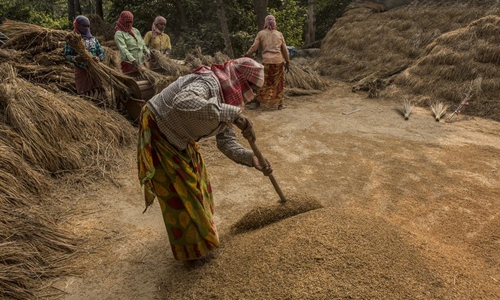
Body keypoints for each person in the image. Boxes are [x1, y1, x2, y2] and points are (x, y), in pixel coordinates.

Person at [137, 57, 272, 266]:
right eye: (253, 89)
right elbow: (182, 101)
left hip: (181, 137)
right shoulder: (207, 82)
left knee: (200, 184)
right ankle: (191, 253)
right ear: (241, 82)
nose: (253, 95)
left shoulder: (230, 102)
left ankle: (200, 236)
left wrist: (252, 158)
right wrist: (233, 115)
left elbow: (226, 143)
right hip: (159, 129)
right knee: (182, 193)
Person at [245, 14, 290, 110]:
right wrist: (288, 61)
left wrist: (247, 55)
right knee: (279, 83)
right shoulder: (279, 34)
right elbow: (285, 50)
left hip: (266, 62)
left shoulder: (261, 33)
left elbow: (254, 47)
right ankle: (280, 104)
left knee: (262, 82)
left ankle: (257, 102)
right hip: (278, 62)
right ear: (275, 22)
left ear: (265, 22)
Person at [63, 15, 106, 100]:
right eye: (84, 26)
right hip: (81, 70)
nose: (86, 28)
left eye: (88, 26)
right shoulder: (73, 40)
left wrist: (98, 58)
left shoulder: (93, 40)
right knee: (85, 95)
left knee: (98, 93)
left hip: (95, 70)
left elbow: (101, 53)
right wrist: (76, 58)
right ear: (78, 26)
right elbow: (66, 55)